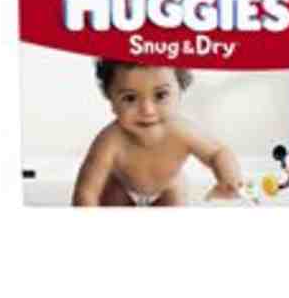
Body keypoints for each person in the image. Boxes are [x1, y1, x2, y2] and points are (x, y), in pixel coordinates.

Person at [72, 60, 243, 206]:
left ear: (180, 91)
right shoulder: (110, 140)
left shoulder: (182, 131)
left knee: (175, 199)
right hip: (122, 186)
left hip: (168, 188)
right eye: (130, 98)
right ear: (111, 100)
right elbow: (86, 191)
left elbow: (217, 152)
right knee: (112, 200)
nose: (147, 110)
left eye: (160, 95)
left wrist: (228, 178)